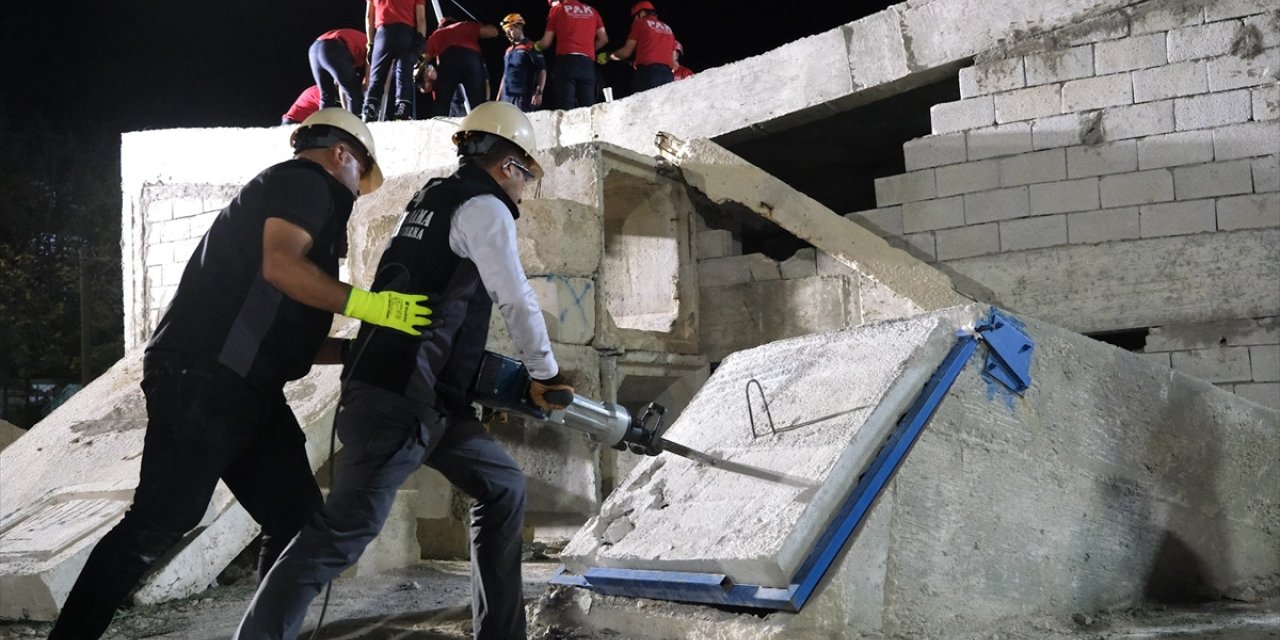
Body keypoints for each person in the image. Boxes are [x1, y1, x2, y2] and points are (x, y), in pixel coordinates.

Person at [47, 109, 433, 640]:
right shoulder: (303, 182)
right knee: (162, 519)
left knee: (296, 518)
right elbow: (282, 267)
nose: (358, 190)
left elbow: (279, 327)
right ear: (342, 153)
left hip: (245, 386)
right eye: (359, 172)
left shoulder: (299, 198)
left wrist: (355, 352)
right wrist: (375, 308)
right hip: (204, 379)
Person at [233, 101, 574, 640]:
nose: (525, 190)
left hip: (430, 398)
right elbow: (515, 297)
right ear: (509, 165)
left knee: (502, 485)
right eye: (527, 175)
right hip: (400, 398)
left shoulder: (433, 200)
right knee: (345, 530)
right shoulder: (484, 208)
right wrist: (547, 373)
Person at [535, 0, 607, 110]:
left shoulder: (557, 10)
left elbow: (546, 42)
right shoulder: (592, 11)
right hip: (587, 65)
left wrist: (535, 46)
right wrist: (588, 49)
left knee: (565, 109)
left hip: (566, 63)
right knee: (588, 109)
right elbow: (603, 39)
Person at [365, 0, 428, 121]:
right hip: (406, 34)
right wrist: (420, 41)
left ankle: (369, 109)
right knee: (404, 75)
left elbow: (369, 17)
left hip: (383, 33)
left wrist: (371, 43)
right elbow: (421, 19)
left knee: (377, 76)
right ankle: (402, 109)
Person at [424, 15, 499, 117]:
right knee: (478, 103)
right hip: (472, 59)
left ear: (440, 26)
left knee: (442, 101)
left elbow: (424, 59)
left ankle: (439, 124)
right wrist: (489, 26)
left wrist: (416, 73)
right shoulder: (466, 25)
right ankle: (481, 126)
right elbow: (492, 32)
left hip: (448, 60)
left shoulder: (436, 34)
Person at [599, 1, 676, 94]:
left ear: (642, 13)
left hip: (648, 74)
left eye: (634, 17)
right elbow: (672, 57)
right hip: (668, 76)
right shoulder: (668, 29)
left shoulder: (640, 23)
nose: (634, 20)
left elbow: (626, 52)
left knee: (642, 106)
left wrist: (608, 56)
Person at [309, 28, 369, 116]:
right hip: (333, 48)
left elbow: (341, 87)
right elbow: (368, 80)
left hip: (314, 49)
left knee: (327, 96)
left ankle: (323, 127)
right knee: (354, 93)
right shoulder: (373, 47)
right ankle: (353, 127)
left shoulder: (356, 48)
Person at [497, 13, 547, 112]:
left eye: (510, 30)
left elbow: (542, 70)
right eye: (506, 31)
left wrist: (539, 93)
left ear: (519, 27)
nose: (508, 34)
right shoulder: (508, 51)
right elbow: (505, 75)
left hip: (523, 98)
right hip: (506, 98)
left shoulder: (530, 47)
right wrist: (499, 96)